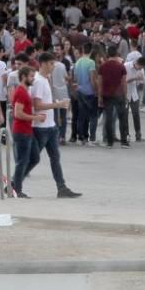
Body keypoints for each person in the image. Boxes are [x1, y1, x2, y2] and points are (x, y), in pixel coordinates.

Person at [26, 52, 82, 199]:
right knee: (33, 159)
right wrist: (58, 104)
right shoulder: (38, 81)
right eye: (51, 64)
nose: (53, 67)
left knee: (55, 158)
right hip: (40, 127)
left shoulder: (45, 79)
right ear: (43, 64)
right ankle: (14, 183)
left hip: (50, 126)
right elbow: (37, 105)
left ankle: (61, 187)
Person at [10, 65, 46, 198]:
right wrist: (36, 117)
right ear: (23, 77)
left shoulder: (25, 91)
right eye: (31, 76)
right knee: (22, 161)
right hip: (21, 131)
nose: (33, 79)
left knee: (34, 158)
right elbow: (18, 114)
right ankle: (16, 189)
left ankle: (14, 184)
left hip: (27, 131)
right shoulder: (20, 92)